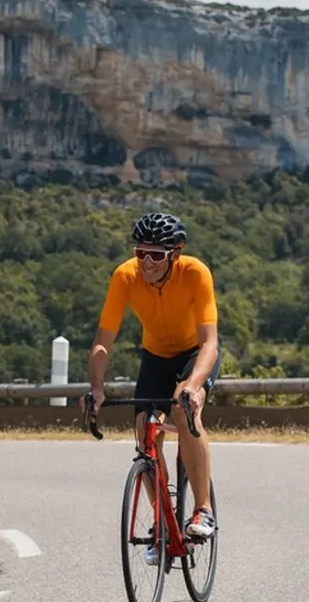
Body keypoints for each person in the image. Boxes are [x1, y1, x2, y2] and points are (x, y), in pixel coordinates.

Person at [87, 212, 219, 549]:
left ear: (175, 253)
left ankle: (203, 509)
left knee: (183, 407)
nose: (146, 262)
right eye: (140, 252)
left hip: (194, 354)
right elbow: (103, 341)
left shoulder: (195, 273)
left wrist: (194, 386)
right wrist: (96, 388)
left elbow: (210, 343)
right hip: (155, 357)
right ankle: (162, 522)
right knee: (145, 427)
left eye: (156, 255)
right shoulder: (125, 276)